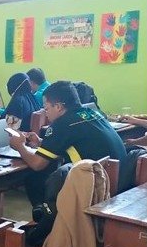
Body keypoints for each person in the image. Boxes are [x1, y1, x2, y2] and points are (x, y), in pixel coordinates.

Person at [7, 80, 128, 208]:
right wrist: (41, 142)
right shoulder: (91, 113)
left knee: (34, 178)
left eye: (46, 108)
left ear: (58, 107)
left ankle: (46, 215)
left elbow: (37, 164)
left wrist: (20, 146)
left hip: (98, 187)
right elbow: (77, 142)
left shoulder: (62, 124)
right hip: (119, 179)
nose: (46, 113)